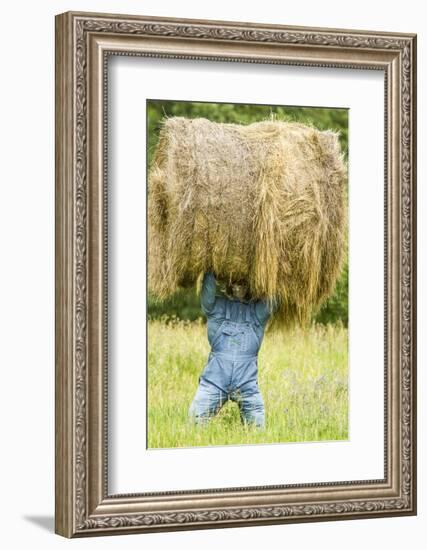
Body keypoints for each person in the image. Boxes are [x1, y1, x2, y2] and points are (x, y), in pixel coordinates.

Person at [188, 271, 277, 429]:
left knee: (258, 430)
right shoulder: (217, 308)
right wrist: (211, 266)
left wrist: (273, 265)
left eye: (243, 283)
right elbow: (207, 291)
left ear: (251, 287)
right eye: (234, 282)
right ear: (228, 286)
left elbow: (275, 295)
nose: (238, 287)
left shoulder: (258, 313)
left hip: (247, 384)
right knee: (195, 421)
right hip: (214, 381)